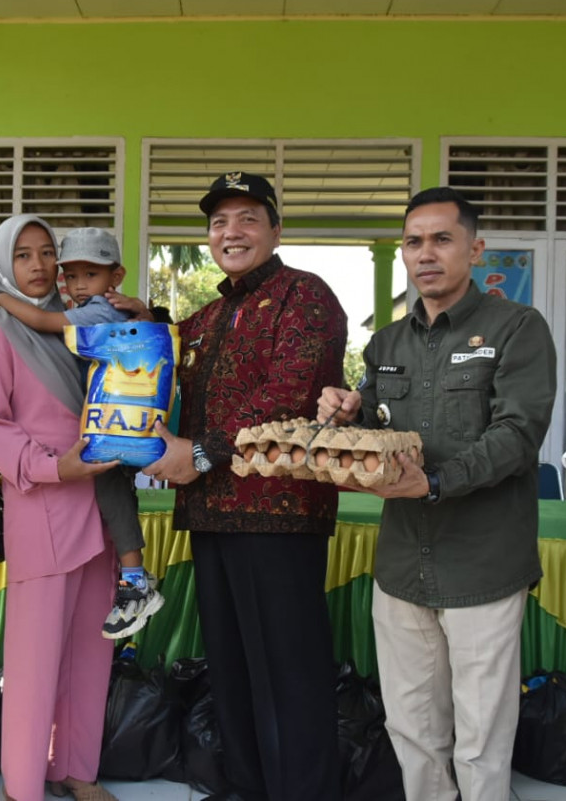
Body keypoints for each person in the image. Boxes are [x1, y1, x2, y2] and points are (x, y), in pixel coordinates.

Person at [318, 186, 557, 801]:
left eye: (442, 239)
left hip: (482, 563)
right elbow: (378, 432)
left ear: (474, 249)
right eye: (413, 241)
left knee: (481, 737)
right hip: (402, 567)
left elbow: (519, 434)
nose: (426, 253)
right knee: (412, 727)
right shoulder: (387, 345)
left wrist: (438, 482)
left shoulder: (517, 329)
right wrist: (347, 413)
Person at [140, 172, 347, 801]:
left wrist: (199, 452)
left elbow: (288, 395)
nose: (232, 232)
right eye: (219, 222)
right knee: (230, 672)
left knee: (289, 674)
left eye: (247, 219)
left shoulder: (305, 297)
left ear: (275, 230)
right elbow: (154, 373)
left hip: (280, 516)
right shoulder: (201, 319)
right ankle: (245, 789)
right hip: (210, 516)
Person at [0, 214, 121, 801]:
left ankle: (77, 770)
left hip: (101, 505)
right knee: (34, 664)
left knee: (91, 652)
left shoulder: (81, 329)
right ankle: (24, 785)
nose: (38, 266)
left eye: (46, 253)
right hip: (44, 507)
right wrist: (54, 468)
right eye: (24, 255)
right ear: (6, 264)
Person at [0, 226, 163, 639]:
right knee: (115, 497)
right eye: (72, 276)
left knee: (113, 497)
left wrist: (1, 298)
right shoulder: (112, 308)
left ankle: (137, 580)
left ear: (115, 276)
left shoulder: (97, 311)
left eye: (91, 274)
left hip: (114, 426)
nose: (79, 285)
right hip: (116, 421)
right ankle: (134, 577)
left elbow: (42, 318)